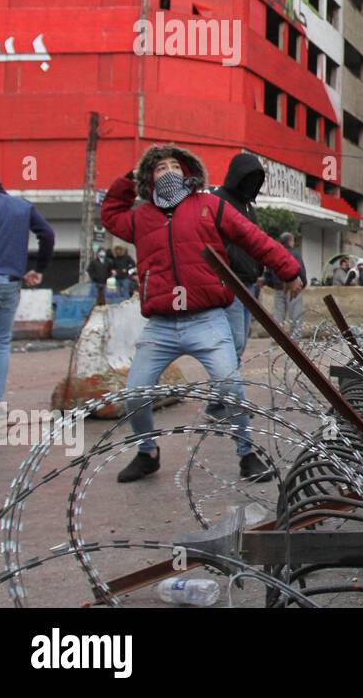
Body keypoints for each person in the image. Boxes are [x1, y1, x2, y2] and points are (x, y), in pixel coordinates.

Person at [100, 144, 301, 483]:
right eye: (159, 167)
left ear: (188, 172)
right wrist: (128, 179)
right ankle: (147, 452)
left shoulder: (209, 205)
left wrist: (289, 268)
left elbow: (254, 238)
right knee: (135, 393)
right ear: (148, 177)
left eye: (174, 166)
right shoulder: (140, 217)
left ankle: (246, 454)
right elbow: (110, 214)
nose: (168, 172)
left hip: (206, 320)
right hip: (161, 325)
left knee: (230, 386)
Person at [0, 163, 54, 418]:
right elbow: (47, 233)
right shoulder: (22, 206)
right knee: (1, 343)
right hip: (11, 283)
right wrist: (39, 268)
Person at [212, 152, 275, 359]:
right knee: (234, 341)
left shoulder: (249, 207)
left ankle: (228, 384)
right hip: (230, 281)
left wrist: (259, 269)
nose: (251, 183)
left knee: (240, 341)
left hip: (249, 284)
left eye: (256, 179)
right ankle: (226, 387)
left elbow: (256, 241)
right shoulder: (218, 200)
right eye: (248, 177)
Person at [262, 232, 306, 339]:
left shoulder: (274, 252)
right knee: (295, 313)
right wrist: (303, 283)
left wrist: (273, 284)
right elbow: (301, 270)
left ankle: (277, 337)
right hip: (293, 287)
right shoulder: (295, 254)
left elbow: (267, 273)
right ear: (290, 241)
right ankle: (295, 337)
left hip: (278, 288)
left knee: (278, 314)